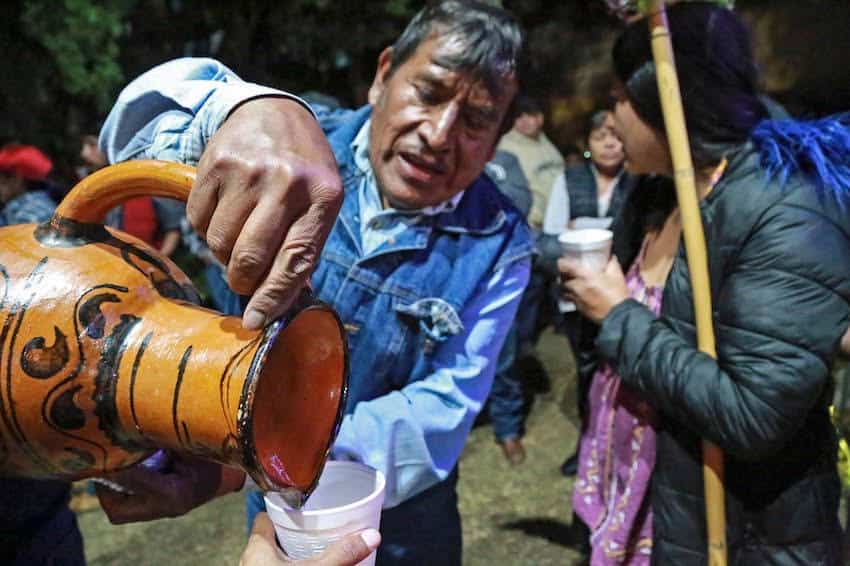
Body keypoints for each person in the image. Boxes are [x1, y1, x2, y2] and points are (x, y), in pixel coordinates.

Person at [97, 2, 532, 564]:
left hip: (404, 523)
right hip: (282, 511)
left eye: (477, 119)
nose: (439, 133)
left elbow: (445, 407)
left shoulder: (499, 240)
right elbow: (130, 138)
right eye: (428, 92)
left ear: (498, 136)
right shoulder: (292, 148)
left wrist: (246, 460)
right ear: (383, 75)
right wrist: (240, 108)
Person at [560, 3, 850, 564]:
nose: (610, 115)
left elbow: (753, 413)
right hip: (648, 506)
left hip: (737, 535)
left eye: (619, 96)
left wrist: (618, 316)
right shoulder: (657, 191)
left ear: (666, 99)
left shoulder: (782, 207)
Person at [539, 110, 636, 476]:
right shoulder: (571, 179)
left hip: (621, 298)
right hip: (574, 298)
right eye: (600, 137)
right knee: (586, 374)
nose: (609, 143)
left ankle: (620, 451)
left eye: (615, 135)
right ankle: (589, 446)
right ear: (588, 144)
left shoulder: (639, 180)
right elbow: (549, 241)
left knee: (620, 378)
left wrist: (583, 229)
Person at [483, 150, 533, 464]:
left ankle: (508, 429)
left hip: (493, 278)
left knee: (503, 357)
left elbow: (520, 204)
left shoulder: (504, 161)